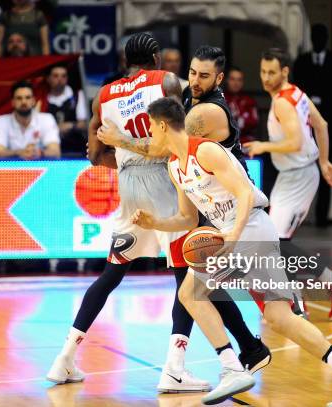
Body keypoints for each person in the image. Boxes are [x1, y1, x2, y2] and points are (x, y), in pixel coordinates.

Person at [134, 96, 332, 407]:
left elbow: (245, 191)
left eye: (151, 129)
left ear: (163, 126)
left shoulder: (204, 150)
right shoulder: (174, 167)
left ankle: (232, 366)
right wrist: (155, 222)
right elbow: (188, 218)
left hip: (248, 227)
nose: (151, 136)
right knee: (278, 317)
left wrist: (234, 233)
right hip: (243, 232)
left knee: (190, 293)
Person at [47, 32, 214, 393]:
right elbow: (176, 137)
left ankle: (64, 359)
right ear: (154, 58)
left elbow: (93, 155)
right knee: (185, 278)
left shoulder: (103, 95)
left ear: (126, 59)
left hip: (128, 185)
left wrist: (124, 160)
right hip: (164, 182)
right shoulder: (166, 81)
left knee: (111, 275)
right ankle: (174, 367)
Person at [96, 45, 271, 372]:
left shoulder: (205, 113)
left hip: (233, 203)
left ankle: (221, 359)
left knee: (211, 288)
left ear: (219, 78)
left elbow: (160, 146)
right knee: (197, 284)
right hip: (207, 198)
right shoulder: (191, 99)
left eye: (204, 76)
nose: (194, 80)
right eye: (192, 72)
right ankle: (242, 351)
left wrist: (120, 141)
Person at [243, 48, 332, 320]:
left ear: (284, 72)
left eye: (272, 72)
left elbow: (295, 142)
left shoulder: (282, 102)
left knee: (278, 242)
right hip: (294, 174)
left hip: (299, 176)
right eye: (262, 72)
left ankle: (299, 303)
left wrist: (262, 145)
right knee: (277, 241)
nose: (266, 78)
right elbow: (322, 125)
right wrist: (325, 161)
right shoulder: (297, 93)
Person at [293, 23, 332, 227]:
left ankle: (322, 216)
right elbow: (296, 90)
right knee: (302, 166)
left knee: (325, 165)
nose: (318, 40)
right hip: (305, 124)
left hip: (329, 124)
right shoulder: (302, 62)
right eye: (315, 36)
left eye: (321, 37)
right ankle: (299, 214)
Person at [0, 80, 61, 159]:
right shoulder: (1, 121)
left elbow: (56, 152)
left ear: (33, 101)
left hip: (40, 166)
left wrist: (39, 152)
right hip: (12, 168)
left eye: (28, 97)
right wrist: (18, 152)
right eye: (19, 98)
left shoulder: (46, 119)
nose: (24, 102)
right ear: (12, 102)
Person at [45, 65, 88, 156]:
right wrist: (56, 128)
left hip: (76, 150)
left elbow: (85, 125)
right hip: (49, 150)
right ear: (48, 79)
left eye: (63, 76)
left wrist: (71, 125)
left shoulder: (77, 95)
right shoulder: (42, 99)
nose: (60, 79)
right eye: (56, 76)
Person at [224, 66, 259, 143]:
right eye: (232, 79)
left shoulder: (249, 101)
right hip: (225, 143)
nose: (236, 83)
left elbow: (254, 122)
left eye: (239, 80)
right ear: (226, 80)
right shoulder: (221, 100)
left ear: (242, 82)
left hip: (246, 143)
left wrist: (238, 121)